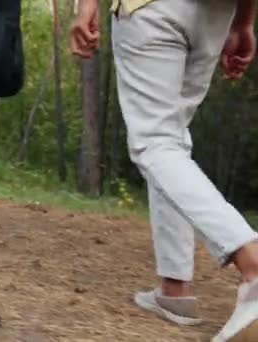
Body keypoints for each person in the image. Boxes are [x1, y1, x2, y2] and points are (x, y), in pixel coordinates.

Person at [71, 0, 258, 340]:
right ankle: (174, 289)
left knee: (156, 144)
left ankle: (253, 262)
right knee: (171, 142)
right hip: (217, 11)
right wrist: (243, 23)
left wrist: (85, 6)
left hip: (151, 7)